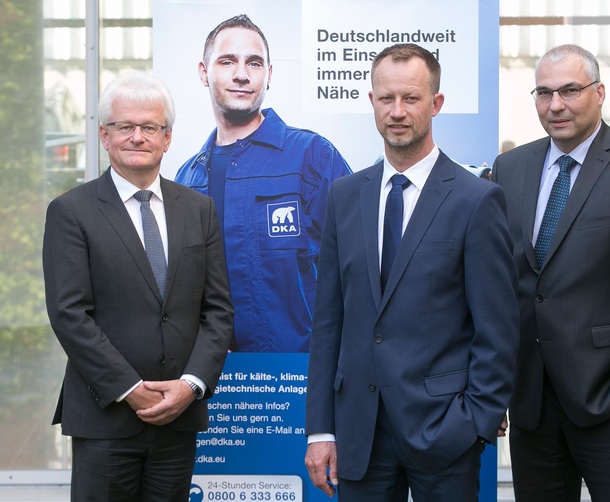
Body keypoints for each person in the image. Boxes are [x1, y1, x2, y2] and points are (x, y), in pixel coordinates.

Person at [304, 43, 520, 501]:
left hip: (444, 434)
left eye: (411, 98)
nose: (397, 111)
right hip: (359, 433)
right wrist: (320, 430)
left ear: (436, 103)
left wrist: (474, 422)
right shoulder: (344, 196)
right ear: (372, 102)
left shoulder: (476, 200)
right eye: (386, 98)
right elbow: (328, 323)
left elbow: (497, 330)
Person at [492, 44, 610, 501]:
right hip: (532, 407)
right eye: (544, 93)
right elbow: (501, 284)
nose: (555, 105)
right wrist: (497, 386)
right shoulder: (510, 169)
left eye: (570, 90)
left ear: (599, 93)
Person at [43, 71, 234, 500]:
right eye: (124, 126)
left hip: (178, 417)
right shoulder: (71, 211)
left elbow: (218, 310)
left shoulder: (199, 210)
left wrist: (191, 385)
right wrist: (131, 390)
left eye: (149, 127)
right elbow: (69, 315)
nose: (137, 137)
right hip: (105, 418)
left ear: (167, 138)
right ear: (104, 136)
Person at [175, 14, 351, 353]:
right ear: (203, 72)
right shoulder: (188, 179)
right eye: (227, 61)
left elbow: (360, 269)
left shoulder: (312, 157)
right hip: (214, 378)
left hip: (298, 375)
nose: (241, 74)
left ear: (268, 74)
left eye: (254, 63)